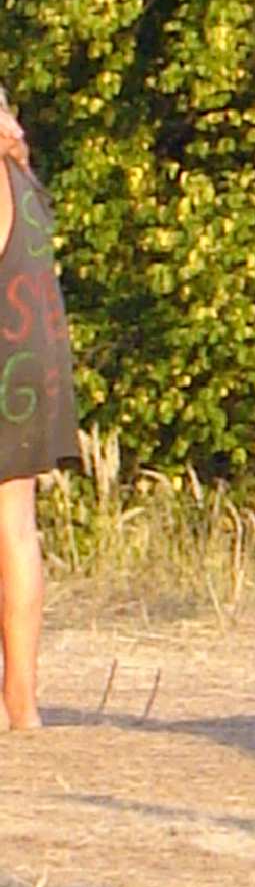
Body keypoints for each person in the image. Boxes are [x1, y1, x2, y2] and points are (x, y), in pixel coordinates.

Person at [0, 89, 80, 732]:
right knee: (16, 528)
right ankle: (22, 704)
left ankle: (18, 703)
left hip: (4, 360)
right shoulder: (21, 176)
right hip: (30, 361)